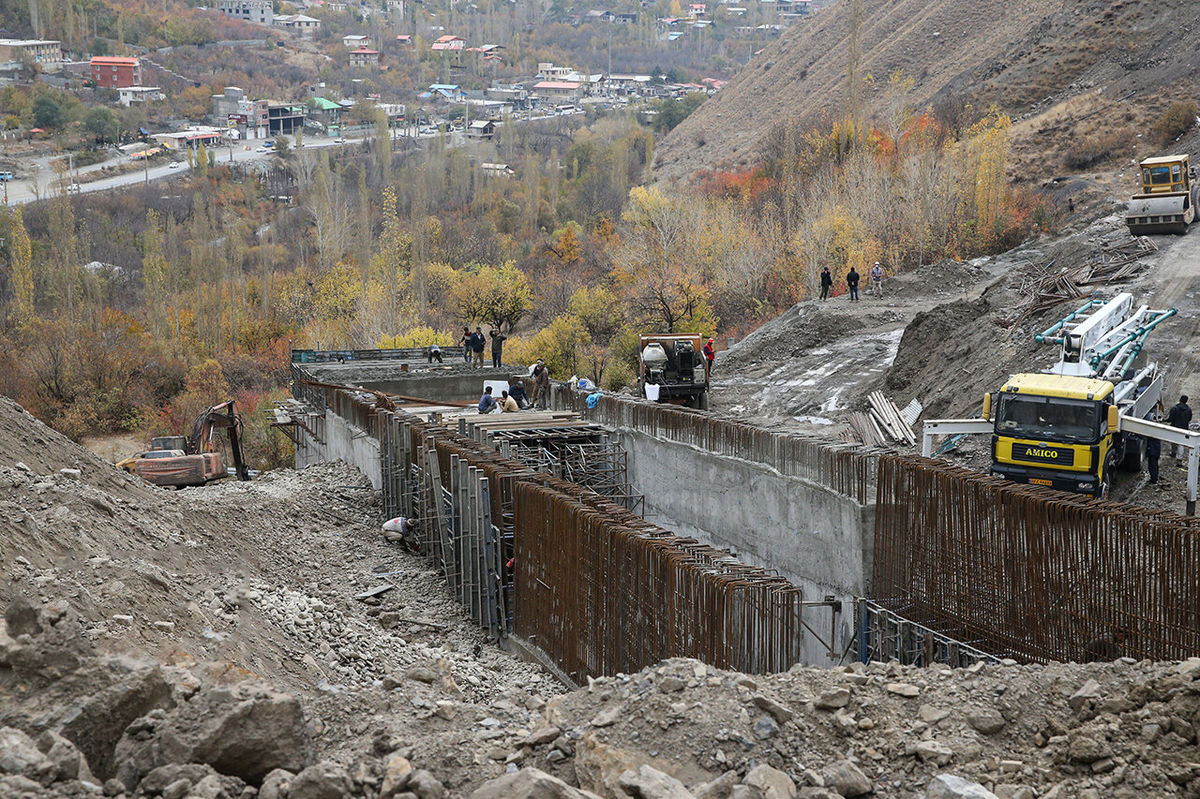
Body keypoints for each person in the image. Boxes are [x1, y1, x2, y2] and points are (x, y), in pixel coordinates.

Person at [1168, 395, 1192, 466]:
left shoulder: (1175, 408)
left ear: (1180, 400)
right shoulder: (1188, 410)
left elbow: (1170, 419)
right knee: (1181, 444)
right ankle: (1179, 460)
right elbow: (1189, 419)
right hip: (1184, 429)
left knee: (1173, 441)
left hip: (1174, 427)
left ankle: (1173, 452)